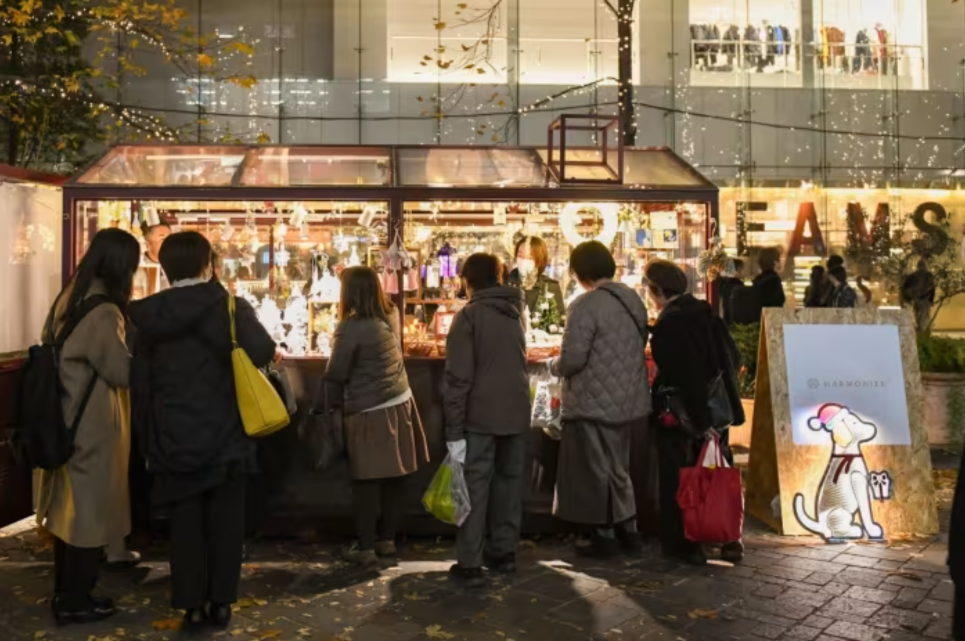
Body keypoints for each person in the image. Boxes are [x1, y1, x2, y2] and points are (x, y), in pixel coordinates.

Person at [129, 232, 276, 631]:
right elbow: (264, 352)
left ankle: (191, 604)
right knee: (226, 523)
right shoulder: (229, 306)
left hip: (172, 436)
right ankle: (222, 602)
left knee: (185, 526)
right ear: (208, 265)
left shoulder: (147, 316)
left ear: (165, 268)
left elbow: (140, 385)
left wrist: (147, 440)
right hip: (227, 435)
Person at [35, 228, 140, 625]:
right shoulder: (104, 311)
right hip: (92, 427)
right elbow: (119, 371)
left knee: (69, 518)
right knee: (89, 519)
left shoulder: (70, 297)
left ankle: (67, 594)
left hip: (65, 417)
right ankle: (76, 600)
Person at [549, 241, 650, 556]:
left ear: (579, 273)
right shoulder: (632, 299)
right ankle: (630, 531)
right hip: (629, 399)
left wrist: (553, 364)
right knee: (619, 467)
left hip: (592, 400)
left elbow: (572, 360)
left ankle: (603, 535)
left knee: (596, 469)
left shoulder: (584, 305)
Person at [326, 266, 428, 569]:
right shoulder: (390, 315)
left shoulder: (352, 326)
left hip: (369, 409)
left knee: (366, 480)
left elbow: (336, 372)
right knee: (394, 478)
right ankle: (386, 540)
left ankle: (366, 546)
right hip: (400, 403)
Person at [646, 259, 745, 566]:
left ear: (656, 290)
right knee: (718, 470)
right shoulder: (705, 313)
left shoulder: (670, 324)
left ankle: (686, 542)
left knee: (683, 477)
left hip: (686, 414)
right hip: (717, 407)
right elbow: (732, 356)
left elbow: (685, 375)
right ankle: (728, 535)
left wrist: (700, 421)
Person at [444, 254, 530, 588]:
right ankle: (504, 552)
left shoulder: (468, 316)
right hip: (516, 411)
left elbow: (458, 379)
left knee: (474, 487)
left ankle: (469, 561)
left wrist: (453, 429)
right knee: (509, 484)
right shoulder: (515, 311)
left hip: (479, 416)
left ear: (467, 280)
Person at [506, 236, 565, 318]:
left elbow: (560, 320)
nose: (523, 261)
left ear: (540, 260)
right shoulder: (504, 284)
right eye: (520, 256)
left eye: (530, 257)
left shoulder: (550, 286)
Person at [132, 222, 172, 299]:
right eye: (163, 239)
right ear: (147, 245)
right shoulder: (137, 268)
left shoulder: (177, 265)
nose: (169, 243)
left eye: (171, 238)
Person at [902, 260, 936, 332]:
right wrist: (931, 300)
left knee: (918, 315)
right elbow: (932, 288)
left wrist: (908, 298)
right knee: (924, 316)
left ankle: (920, 330)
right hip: (924, 299)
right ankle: (922, 331)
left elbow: (906, 287)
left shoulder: (912, 276)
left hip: (916, 299)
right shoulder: (928, 275)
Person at [718, 258, 745, 323]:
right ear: (738, 269)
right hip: (737, 322)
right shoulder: (738, 285)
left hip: (726, 320)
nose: (743, 271)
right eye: (742, 269)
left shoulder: (723, 284)